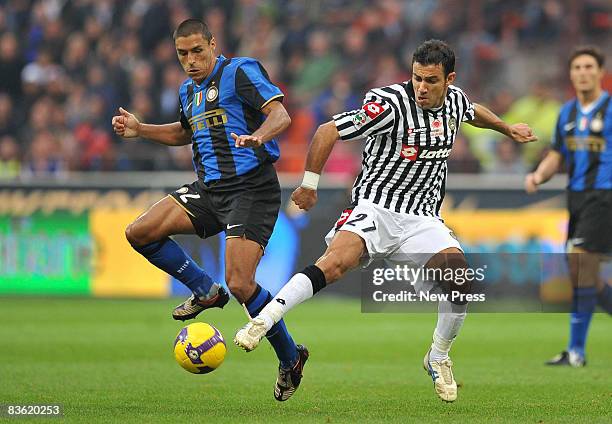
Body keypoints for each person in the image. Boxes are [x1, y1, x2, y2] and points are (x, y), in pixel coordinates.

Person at [235, 39, 537, 402]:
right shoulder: (389, 104)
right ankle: (262, 321)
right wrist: (309, 185)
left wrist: (507, 128)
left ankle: (437, 357)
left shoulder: (455, 101)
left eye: (430, 81)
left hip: (422, 219)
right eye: (416, 78)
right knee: (335, 263)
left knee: (461, 285)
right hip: (375, 207)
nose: (421, 88)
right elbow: (326, 131)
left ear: (449, 80)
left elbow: (473, 111)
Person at [111, 19, 307, 401]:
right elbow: (184, 132)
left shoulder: (240, 71)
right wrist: (140, 129)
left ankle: (290, 357)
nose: (191, 60)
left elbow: (281, 115)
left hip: (251, 188)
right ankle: (205, 290)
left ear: (213, 45)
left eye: (197, 51)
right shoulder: (188, 90)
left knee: (241, 284)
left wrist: (258, 136)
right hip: (210, 190)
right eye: (183, 54)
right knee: (140, 232)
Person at [525, 46, 612, 367]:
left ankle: (576, 351)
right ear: (571, 74)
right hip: (575, 197)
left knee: (581, 262)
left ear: (600, 72)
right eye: (577, 67)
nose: (583, 72)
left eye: (589, 66)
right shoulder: (567, 113)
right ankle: (575, 350)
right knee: (582, 274)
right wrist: (538, 175)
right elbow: (556, 155)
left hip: (604, 196)